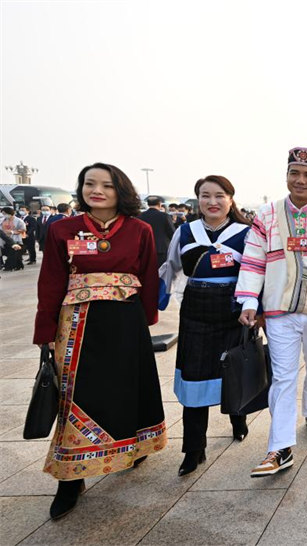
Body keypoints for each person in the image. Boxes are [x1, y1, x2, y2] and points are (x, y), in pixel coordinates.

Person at [33, 162, 166, 519]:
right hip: (77, 326)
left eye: (106, 185)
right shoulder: (63, 230)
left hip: (125, 322)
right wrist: (45, 332)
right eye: (89, 184)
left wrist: (147, 320)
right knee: (75, 396)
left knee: (127, 389)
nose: (97, 191)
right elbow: (50, 281)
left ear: (120, 190)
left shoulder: (139, 230)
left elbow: (148, 276)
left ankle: (132, 447)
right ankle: (69, 479)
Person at [236, 146, 307, 476]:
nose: (300, 180)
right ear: (286, 176)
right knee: (283, 378)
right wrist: (249, 302)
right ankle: (279, 448)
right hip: (278, 311)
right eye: (294, 173)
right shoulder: (267, 214)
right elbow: (253, 260)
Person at [159, 176, 253, 476]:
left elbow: (256, 273)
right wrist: (158, 300)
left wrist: (253, 307)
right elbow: (170, 267)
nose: (212, 201)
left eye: (219, 195)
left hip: (233, 311)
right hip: (196, 311)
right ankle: (193, 449)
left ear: (231, 200)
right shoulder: (186, 232)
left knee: (233, 370)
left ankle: (238, 419)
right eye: (205, 195)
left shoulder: (246, 233)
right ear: (197, 199)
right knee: (195, 378)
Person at [139, 196, 175, 267]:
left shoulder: (140, 216)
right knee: (161, 272)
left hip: (144, 248)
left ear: (148, 204)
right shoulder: (165, 216)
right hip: (161, 249)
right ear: (159, 204)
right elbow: (172, 233)